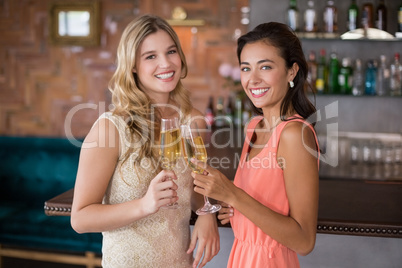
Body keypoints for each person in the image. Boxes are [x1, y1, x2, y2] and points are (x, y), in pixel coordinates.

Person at [70, 14, 219, 268]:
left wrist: (206, 213)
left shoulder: (193, 121)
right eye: (150, 56)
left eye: (171, 51)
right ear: (133, 66)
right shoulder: (110, 128)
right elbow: (81, 219)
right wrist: (144, 205)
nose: (166, 63)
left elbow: (195, 185)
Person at [191, 22, 320, 267]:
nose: (253, 79)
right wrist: (237, 209)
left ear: (292, 72)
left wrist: (234, 196)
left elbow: (304, 241)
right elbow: (261, 203)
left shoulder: (294, 133)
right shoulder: (254, 127)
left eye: (266, 67)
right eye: (246, 68)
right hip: (243, 258)